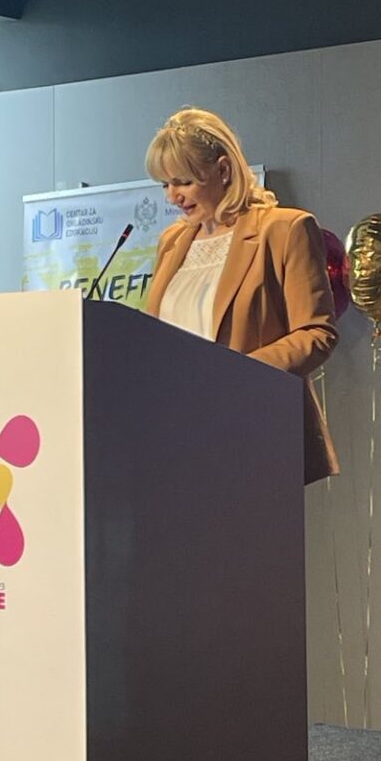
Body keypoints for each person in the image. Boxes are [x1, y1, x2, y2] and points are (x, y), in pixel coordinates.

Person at [145, 108, 338, 484]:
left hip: (253, 430)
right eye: (164, 185)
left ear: (223, 170)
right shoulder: (171, 242)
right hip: (177, 435)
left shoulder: (284, 229)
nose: (172, 197)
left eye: (183, 182)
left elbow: (317, 333)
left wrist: (235, 376)